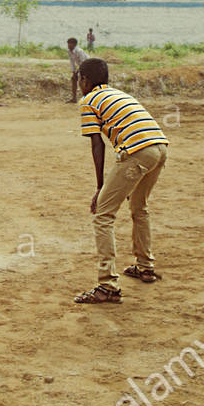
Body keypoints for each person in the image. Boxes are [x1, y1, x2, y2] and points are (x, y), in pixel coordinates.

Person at [74, 57, 169, 304]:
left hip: (137, 151)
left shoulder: (88, 101)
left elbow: (97, 144)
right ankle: (145, 266)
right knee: (139, 207)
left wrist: (99, 188)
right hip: (159, 147)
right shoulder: (118, 94)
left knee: (103, 214)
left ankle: (107, 286)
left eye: (78, 80)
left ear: (84, 80)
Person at [66, 37, 89, 103]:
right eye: (68, 44)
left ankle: (86, 98)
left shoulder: (79, 51)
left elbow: (83, 62)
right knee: (73, 79)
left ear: (74, 44)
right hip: (81, 66)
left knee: (82, 82)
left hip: (88, 66)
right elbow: (72, 62)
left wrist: (77, 72)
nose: (68, 45)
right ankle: (74, 98)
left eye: (70, 44)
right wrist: (74, 72)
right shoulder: (69, 51)